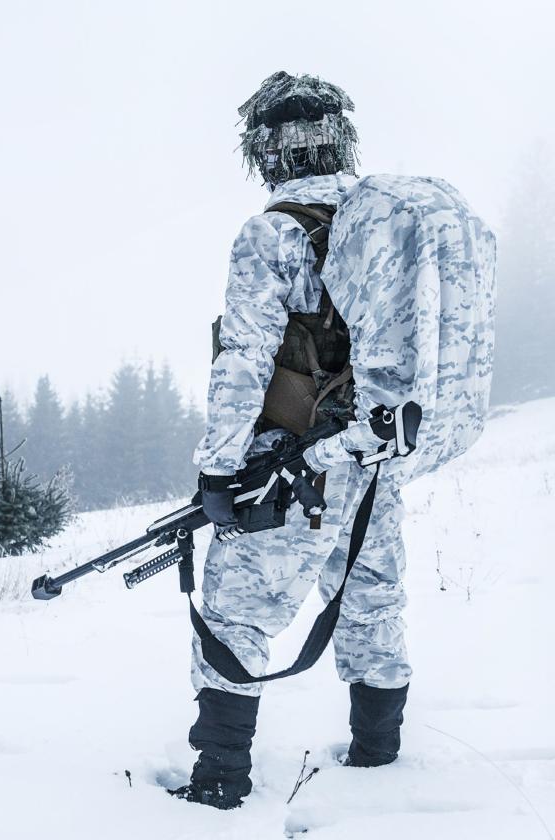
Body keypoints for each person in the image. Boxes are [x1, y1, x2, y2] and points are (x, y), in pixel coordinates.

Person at [172, 72, 497, 809]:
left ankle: (218, 782)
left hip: (292, 466)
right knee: (371, 598)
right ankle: (379, 758)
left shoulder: (274, 232)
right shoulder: (382, 218)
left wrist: (220, 471)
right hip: (369, 456)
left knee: (234, 612)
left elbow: (244, 361)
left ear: (265, 149)